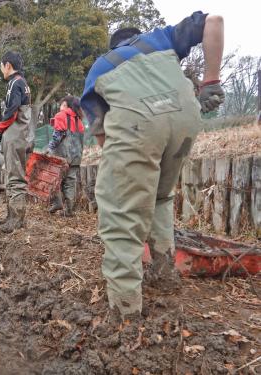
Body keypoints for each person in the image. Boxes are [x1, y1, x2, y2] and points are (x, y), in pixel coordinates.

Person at [80, 11, 224, 319]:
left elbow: (104, 136)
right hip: (186, 120)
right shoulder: (162, 38)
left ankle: (125, 313)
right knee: (160, 195)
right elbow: (215, 21)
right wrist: (211, 81)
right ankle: (164, 273)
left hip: (138, 126)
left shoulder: (101, 66)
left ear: (113, 47)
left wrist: (124, 180)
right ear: (137, 37)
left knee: (120, 209)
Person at [0, 51, 32, 233]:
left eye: (2, 67)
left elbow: (12, 110)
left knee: (15, 176)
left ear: (8, 65)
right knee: (13, 175)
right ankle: (12, 216)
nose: (1, 70)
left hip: (14, 134)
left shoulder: (14, 83)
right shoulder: (22, 83)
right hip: (19, 134)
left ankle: (16, 219)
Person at [47, 95, 85, 217]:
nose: (60, 107)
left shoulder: (60, 116)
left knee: (53, 179)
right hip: (76, 157)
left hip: (61, 155)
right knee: (69, 182)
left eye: (62, 105)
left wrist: (49, 149)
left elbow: (57, 136)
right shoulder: (79, 121)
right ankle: (69, 210)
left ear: (67, 106)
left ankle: (57, 203)